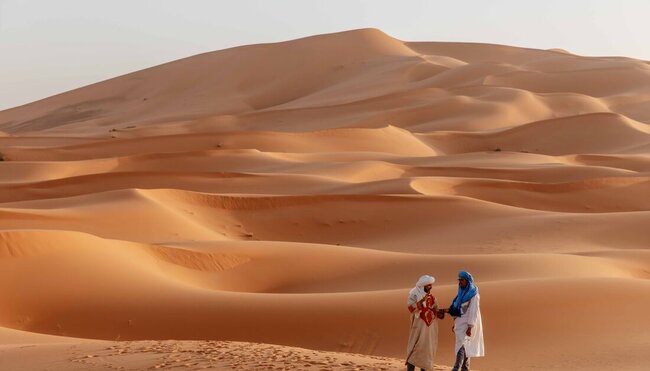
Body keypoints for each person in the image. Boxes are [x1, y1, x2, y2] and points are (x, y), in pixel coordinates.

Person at [446, 271, 484, 371]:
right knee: (465, 345)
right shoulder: (461, 293)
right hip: (460, 323)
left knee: (461, 345)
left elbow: (473, 311)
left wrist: (470, 327)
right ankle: (465, 368)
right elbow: (458, 309)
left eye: (462, 280)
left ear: (467, 281)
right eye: (459, 280)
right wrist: (455, 321)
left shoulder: (474, 294)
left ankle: (456, 367)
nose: (460, 282)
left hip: (468, 324)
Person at [405, 275, 441, 371]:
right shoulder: (414, 295)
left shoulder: (432, 297)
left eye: (431, 285)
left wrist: (441, 312)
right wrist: (421, 301)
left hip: (429, 330)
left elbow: (436, 310)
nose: (431, 287)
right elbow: (411, 308)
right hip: (418, 328)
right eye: (429, 285)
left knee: (426, 351)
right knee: (414, 348)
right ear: (423, 286)